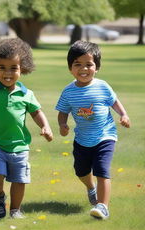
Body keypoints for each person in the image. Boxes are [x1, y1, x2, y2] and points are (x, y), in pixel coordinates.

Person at [0, 38, 53, 219]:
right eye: (2, 68)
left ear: (22, 68)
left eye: (13, 68)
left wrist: (45, 126)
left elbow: (37, 112)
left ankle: (15, 209)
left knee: (19, 180)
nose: (8, 73)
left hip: (20, 146)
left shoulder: (26, 94)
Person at [55, 40, 130, 220]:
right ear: (70, 68)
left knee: (102, 170)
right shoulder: (68, 91)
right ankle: (91, 187)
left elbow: (114, 102)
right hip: (82, 139)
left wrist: (124, 115)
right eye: (78, 64)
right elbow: (62, 111)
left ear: (97, 67)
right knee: (81, 171)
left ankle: (103, 206)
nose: (84, 69)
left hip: (105, 135)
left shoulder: (103, 86)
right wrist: (62, 125)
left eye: (89, 64)